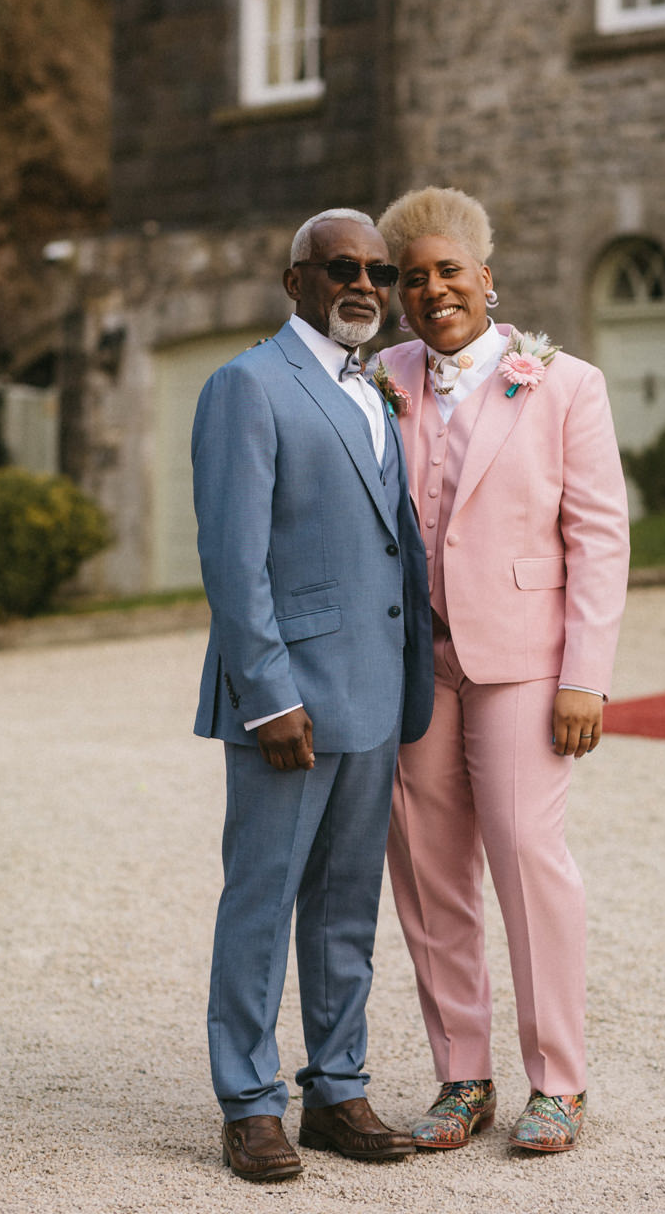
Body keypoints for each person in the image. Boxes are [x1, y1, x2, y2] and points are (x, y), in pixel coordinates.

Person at [374, 186, 630, 1155]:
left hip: (524, 660)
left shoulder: (564, 382)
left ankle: (556, 1081)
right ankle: (460, 1077)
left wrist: (584, 676)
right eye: (413, 277)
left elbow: (599, 538)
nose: (433, 289)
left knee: (527, 855)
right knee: (429, 872)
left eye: (448, 271)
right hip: (412, 664)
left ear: (486, 277)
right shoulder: (380, 378)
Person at [191, 208, 434, 1183]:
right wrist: (266, 695)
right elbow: (232, 556)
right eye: (341, 266)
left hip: (376, 692)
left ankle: (337, 1086)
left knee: (346, 905)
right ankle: (249, 1103)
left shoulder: (374, 389)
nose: (363, 283)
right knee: (261, 899)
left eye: (378, 269)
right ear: (295, 281)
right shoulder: (247, 385)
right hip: (286, 700)